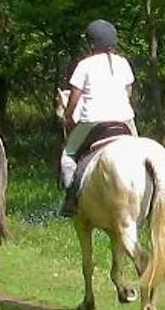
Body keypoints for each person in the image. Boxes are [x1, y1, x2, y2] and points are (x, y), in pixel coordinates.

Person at [58, 18, 136, 217]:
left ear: (91, 43)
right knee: (137, 149)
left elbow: (75, 96)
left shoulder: (84, 65)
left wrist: (68, 116)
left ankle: (71, 201)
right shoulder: (123, 63)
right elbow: (128, 92)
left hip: (92, 122)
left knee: (68, 156)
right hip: (124, 120)